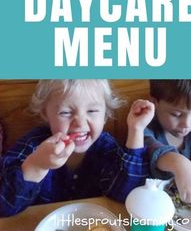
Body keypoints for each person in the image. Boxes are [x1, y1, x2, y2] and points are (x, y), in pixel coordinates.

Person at [0, 79, 155, 217]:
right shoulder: (32, 146)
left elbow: (127, 194)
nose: (80, 124)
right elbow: (4, 206)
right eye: (65, 112)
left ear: (105, 115)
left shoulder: (105, 146)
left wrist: (136, 130)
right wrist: (36, 166)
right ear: (45, 114)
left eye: (92, 111)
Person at [144, 80, 191, 204]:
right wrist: (179, 163)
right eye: (176, 114)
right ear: (155, 103)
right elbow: (149, 146)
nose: (186, 124)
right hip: (148, 206)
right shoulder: (145, 130)